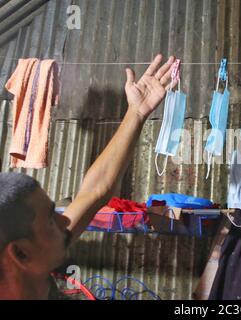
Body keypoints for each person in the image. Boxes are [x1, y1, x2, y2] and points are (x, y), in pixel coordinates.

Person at [0, 54, 177, 299]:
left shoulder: (36, 274)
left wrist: (136, 113)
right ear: (19, 253)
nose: (66, 221)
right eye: (51, 220)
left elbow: (94, 192)